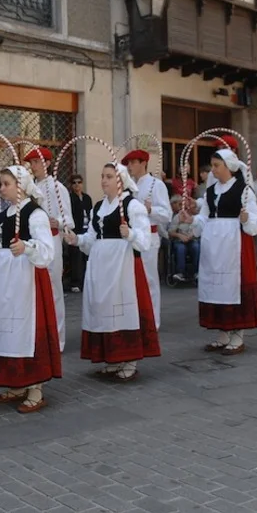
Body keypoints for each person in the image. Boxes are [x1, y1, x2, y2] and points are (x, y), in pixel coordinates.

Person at [0, 166, 61, 413]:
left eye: (6, 183)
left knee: (26, 332)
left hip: (26, 282)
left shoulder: (35, 214)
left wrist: (27, 247)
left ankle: (35, 389)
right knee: (7, 332)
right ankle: (17, 383)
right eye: (0, 183)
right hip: (4, 282)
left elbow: (47, 250)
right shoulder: (4, 215)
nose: (1, 188)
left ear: (20, 185)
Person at [65, 162, 160, 381]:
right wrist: (76, 239)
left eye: (109, 176)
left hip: (122, 265)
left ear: (120, 180)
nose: (103, 180)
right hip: (101, 266)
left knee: (122, 309)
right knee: (104, 308)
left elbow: (144, 240)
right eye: (102, 176)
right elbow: (92, 238)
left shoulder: (132, 206)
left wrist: (130, 234)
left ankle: (130, 359)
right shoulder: (98, 207)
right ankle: (113, 358)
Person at [184, 148, 257, 356]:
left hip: (234, 244)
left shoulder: (244, 190)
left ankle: (238, 334)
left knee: (233, 286)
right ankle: (223, 332)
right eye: (212, 166)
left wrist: (247, 219)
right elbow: (205, 217)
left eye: (217, 166)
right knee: (216, 287)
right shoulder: (211, 191)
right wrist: (192, 220)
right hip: (214, 246)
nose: (213, 170)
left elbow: (255, 221)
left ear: (229, 166)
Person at [25, 147, 73, 352]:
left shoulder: (57, 188)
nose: (33, 166)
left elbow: (69, 219)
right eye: (31, 163)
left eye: (36, 162)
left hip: (52, 241)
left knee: (54, 289)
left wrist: (58, 222)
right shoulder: (30, 187)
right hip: (34, 243)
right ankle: (40, 335)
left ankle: (58, 338)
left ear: (47, 163)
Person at [121, 149, 172, 328]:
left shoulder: (156, 185)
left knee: (149, 278)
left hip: (149, 236)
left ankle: (153, 321)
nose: (130, 166)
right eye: (128, 163)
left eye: (133, 162)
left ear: (143, 163)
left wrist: (151, 210)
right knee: (132, 279)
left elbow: (167, 214)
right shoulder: (128, 186)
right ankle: (136, 318)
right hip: (130, 237)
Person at [67, 174, 93, 293]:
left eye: (79, 182)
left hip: (87, 229)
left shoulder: (87, 198)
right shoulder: (70, 198)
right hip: (76, 230)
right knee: (76, 258)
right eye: (74, 183)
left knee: (86, 257)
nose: (77, 185)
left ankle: (85, 281)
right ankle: (75, 282)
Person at [167, 194, 199, 282]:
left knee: (196, 247)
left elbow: (200, 229)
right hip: (179, 240)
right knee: (181, 248)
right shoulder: (178, 216)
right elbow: (170, 232)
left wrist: (191, 235)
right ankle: (180, 273)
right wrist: (180, 235)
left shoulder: (198, 217)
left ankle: (196, 272)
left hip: (192, 239)